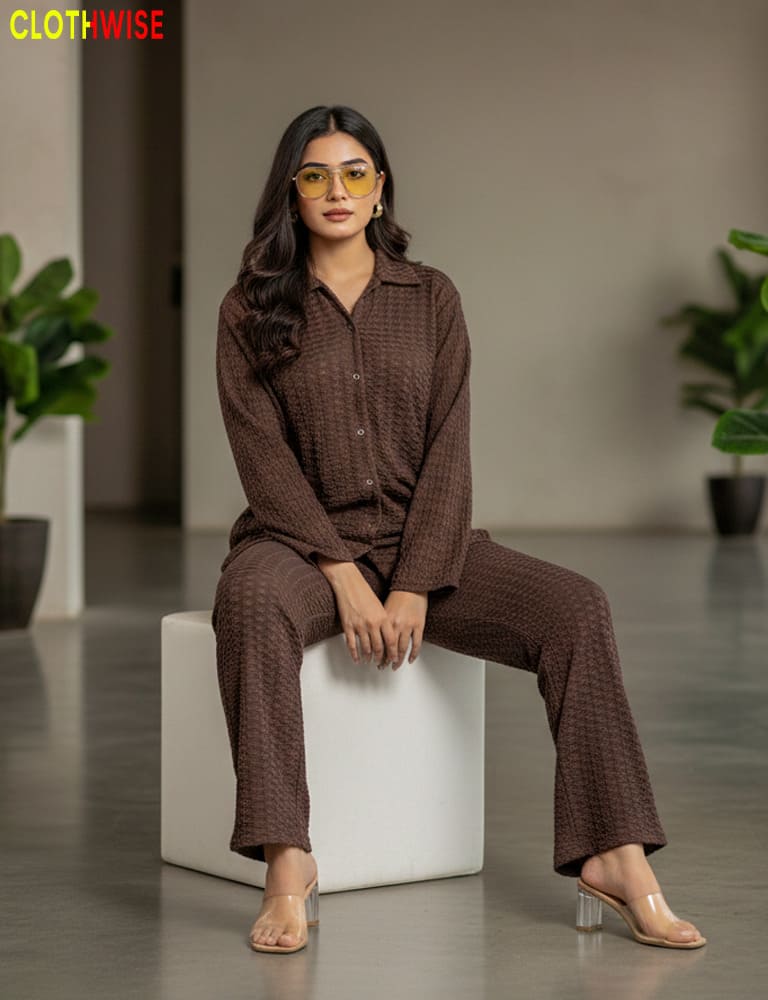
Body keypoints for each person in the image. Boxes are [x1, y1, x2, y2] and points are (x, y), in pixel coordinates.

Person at [211, 104, 706, 955]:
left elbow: (450, 447)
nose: (338, 190)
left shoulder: (431, 297)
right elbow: (263, 460)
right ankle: (287, 860)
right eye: (316, 174)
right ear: (291, 196)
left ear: (380, 189)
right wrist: (339, 572)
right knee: (249, 601)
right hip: (298, 546)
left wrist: (411, 583)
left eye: (355, 172)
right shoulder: (249, 309)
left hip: (424, 544)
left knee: (575, 607)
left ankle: (617, 857)